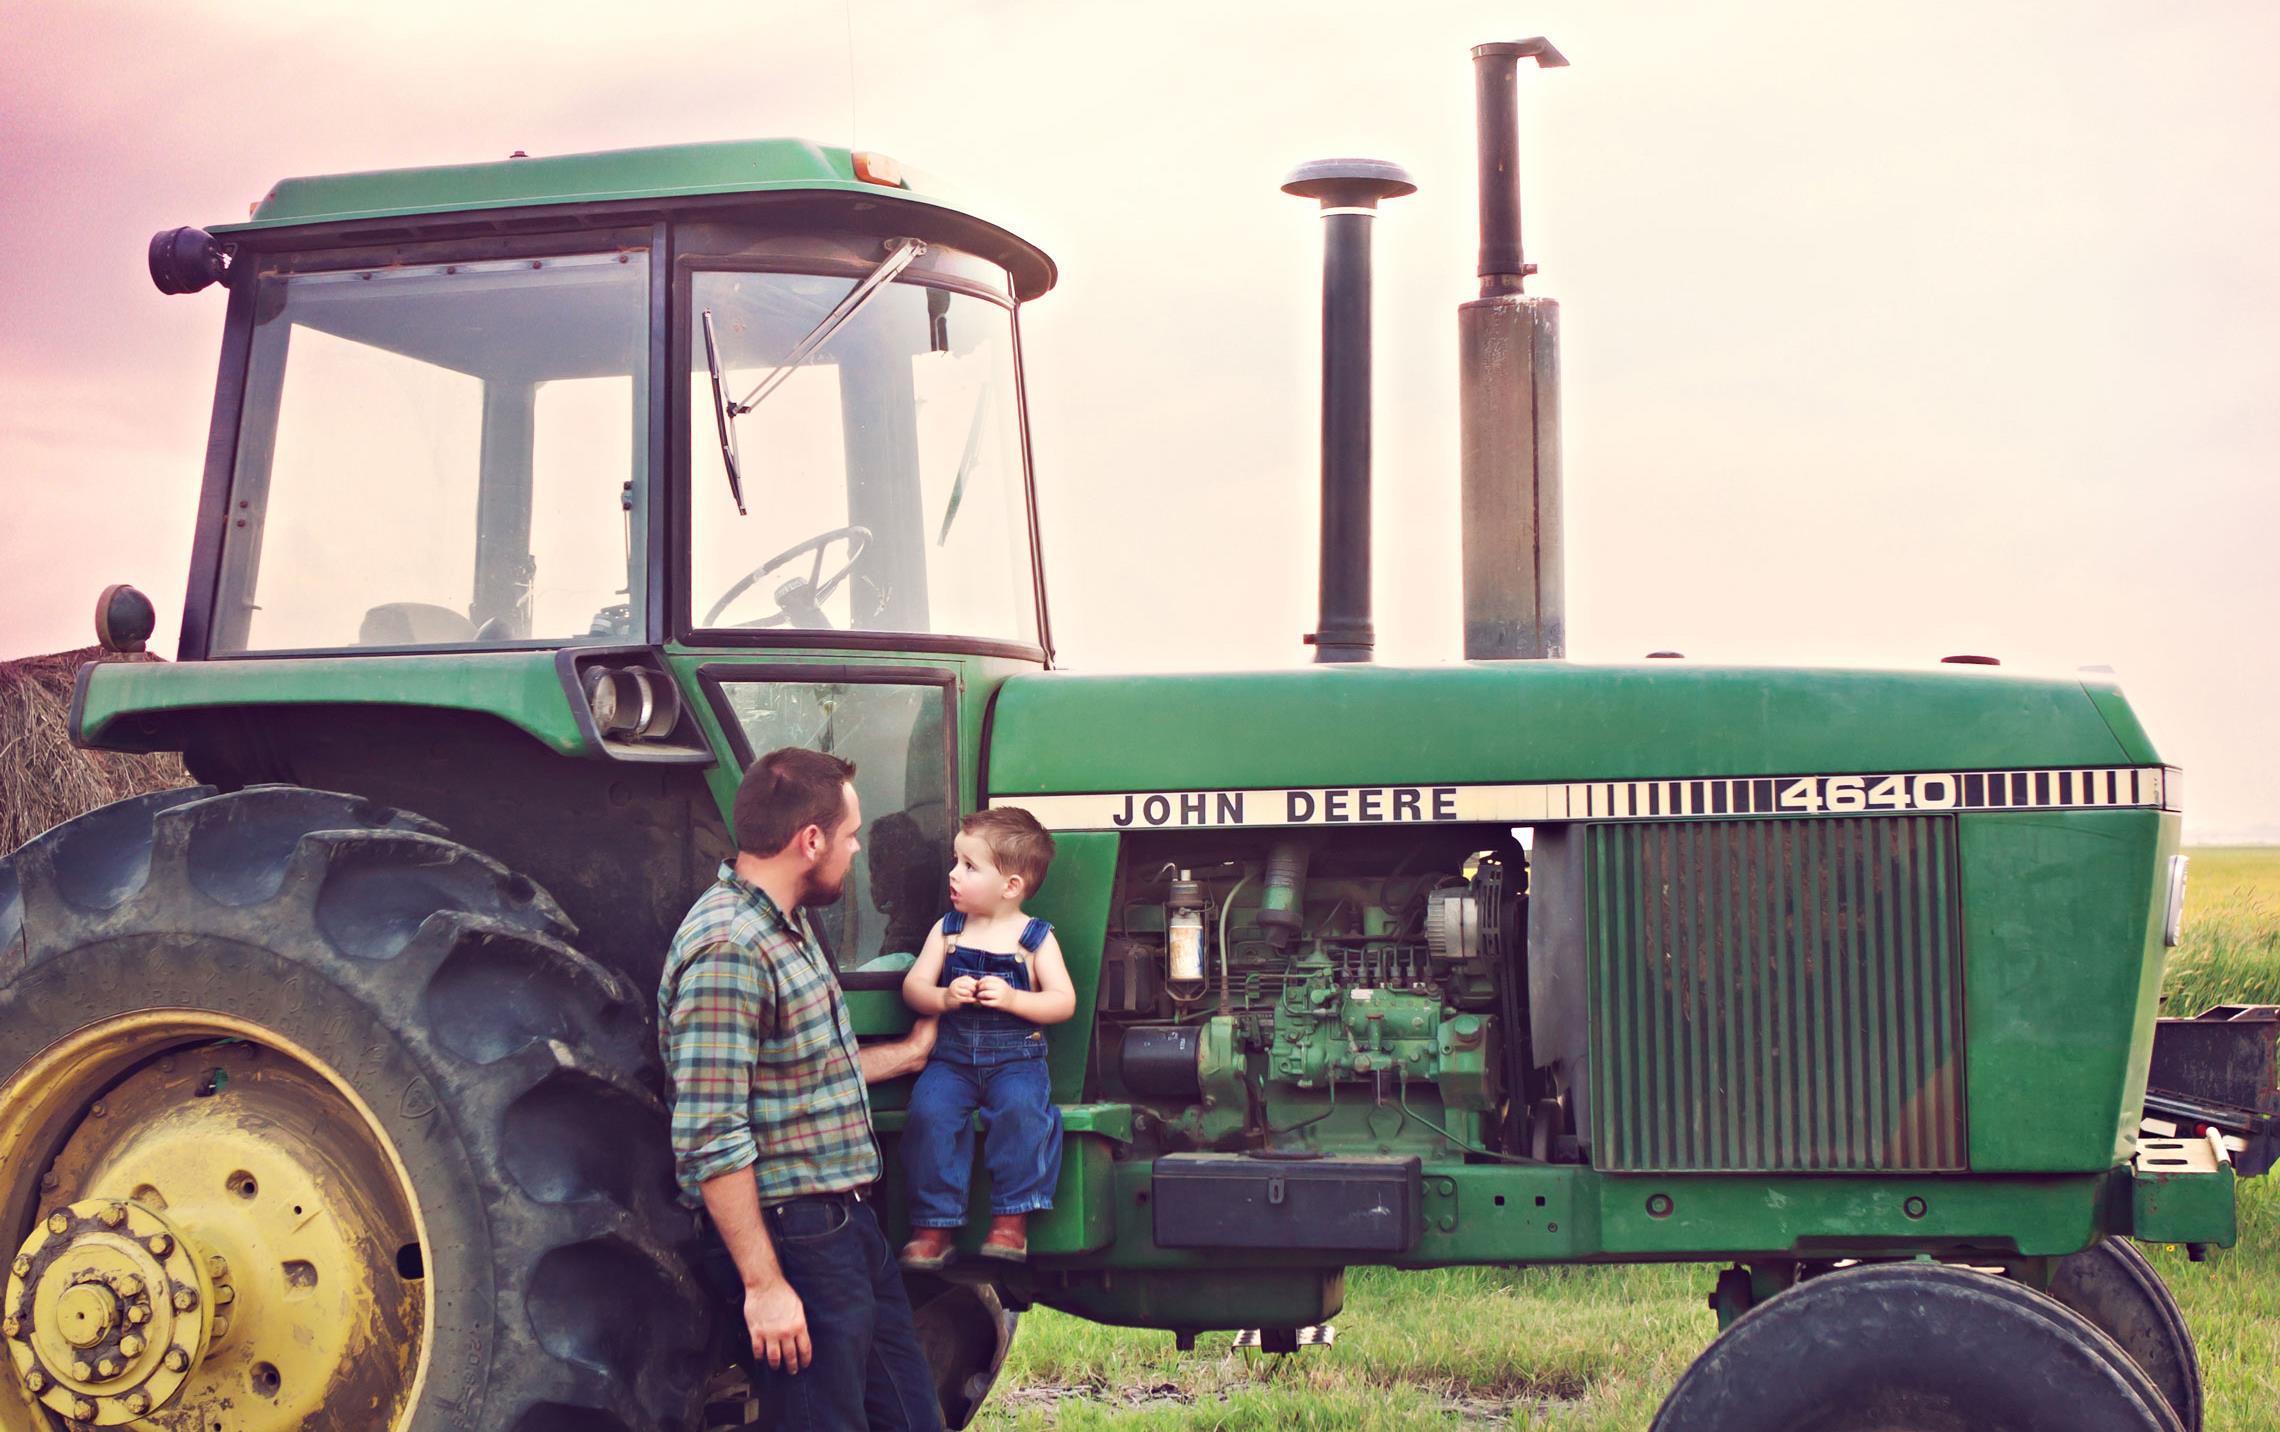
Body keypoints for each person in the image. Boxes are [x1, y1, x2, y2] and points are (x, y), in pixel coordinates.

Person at [657, 746, 944, 1432]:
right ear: (809, 840)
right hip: (796, 1237)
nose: (855, 853)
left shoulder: (787, 927)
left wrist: (907, 1056)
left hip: (846, 1227)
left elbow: (803, 1075)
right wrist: (765, 1285)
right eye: (850, 838)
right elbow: (709, 1133)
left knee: (910, 1417)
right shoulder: (730, 947)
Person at [895, 806, 1074, 1269]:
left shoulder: (1033, 939)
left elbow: (1061, 1001)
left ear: (1011, 886)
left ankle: (1011, 1221)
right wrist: (944, 998)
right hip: (951, 1060)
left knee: (1022, 1113)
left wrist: (1016, 1000)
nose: (953, 874)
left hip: (1017, 1060)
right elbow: (913, 988)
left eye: (968, 866)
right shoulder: (948, 931)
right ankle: (934, 1225)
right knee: (929, 1114)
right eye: (957, 861)